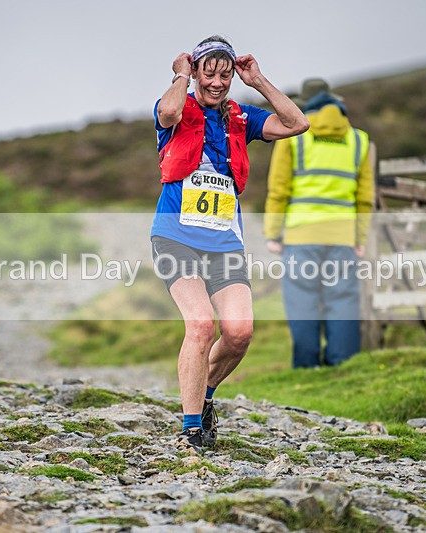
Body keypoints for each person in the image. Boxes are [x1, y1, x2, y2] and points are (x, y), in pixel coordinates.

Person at [151, 35, 309, 452]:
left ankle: (203, 395)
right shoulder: (176, 105)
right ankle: (191, 430)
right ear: (196, 71)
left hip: (224, 244)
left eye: (225, 74)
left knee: (239, 333)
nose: (218, 82)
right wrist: (181, 74)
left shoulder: (241, 116)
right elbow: (167, 110)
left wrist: (258, 81)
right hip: (175, 238)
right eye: (210, 73)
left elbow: (297, 123)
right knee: (201, 324)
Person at [264, 78, 374, 369]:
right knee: (343, 301)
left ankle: (307, 366)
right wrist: (359, 238)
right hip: (343, 236)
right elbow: (365, 197)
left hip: (301, 236)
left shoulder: (294, 135)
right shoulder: (359, 139)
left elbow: (279, 189)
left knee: (302, 302)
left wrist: (273, 233)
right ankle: (343, 365)